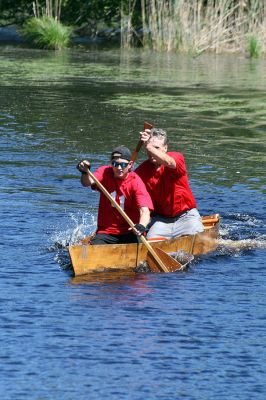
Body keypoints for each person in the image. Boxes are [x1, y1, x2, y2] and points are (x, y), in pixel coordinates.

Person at [135, 128, 204, 239]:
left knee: (198, 241)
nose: (151, 152)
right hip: (161, 220)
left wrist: (148, 145)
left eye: (156, 148)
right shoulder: (141, 171)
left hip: (186, 217)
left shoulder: (176, 157)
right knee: (149, 244)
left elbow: (169, 162)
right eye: (149, 148)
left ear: (165, 148)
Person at [77, 145, 153, 245]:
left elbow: (145, 211)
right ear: (111, 164)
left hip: (130, 231)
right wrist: (84, 172)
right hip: (106, 232)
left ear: (130, 165)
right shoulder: (104, 172)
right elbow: (86, 182)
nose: (119, 168)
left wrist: (141, 226)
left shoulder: (136, 182)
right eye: (115, 164)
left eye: (123, 165)